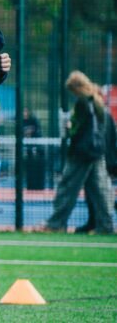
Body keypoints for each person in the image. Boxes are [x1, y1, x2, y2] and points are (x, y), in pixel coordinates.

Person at [44, 71, 114, 234]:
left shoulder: (83, 102)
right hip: (97, 152)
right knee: (100, 191)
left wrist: (69, 126)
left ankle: (56, 224)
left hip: (81, 153)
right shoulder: (97, 100)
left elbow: (76, 129)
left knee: (67, 188)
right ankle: (106, 226)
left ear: (76, 88)